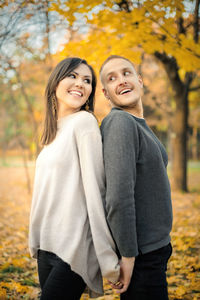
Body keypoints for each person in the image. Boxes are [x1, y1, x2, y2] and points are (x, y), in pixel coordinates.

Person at [29, 57, 120, 300]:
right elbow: (44, 193)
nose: (80, 83)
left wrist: (107, 256)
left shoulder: (84, 122)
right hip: (47, 244)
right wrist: (34, 237)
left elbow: (97, 191)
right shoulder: (52, 131)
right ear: (55, 81)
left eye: (87, 80)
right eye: (72, 76)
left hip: (75, 247)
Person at [99, 55, 173, 300]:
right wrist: (128, 256)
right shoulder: (120, 122)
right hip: (142, 258)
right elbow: (118, 197)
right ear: (106, 93)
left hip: (155, 251)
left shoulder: (137, 123)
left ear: (140, 81)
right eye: (112, 78)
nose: (121, 80)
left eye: (126, 73)